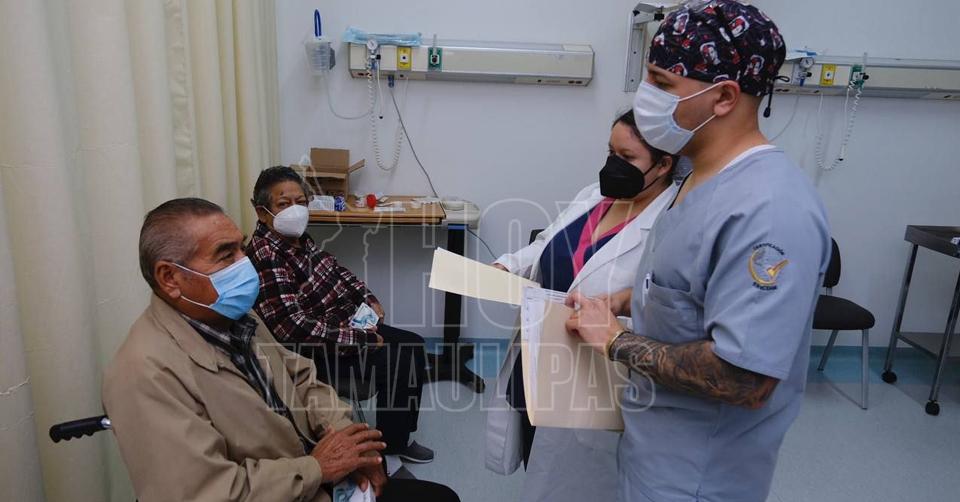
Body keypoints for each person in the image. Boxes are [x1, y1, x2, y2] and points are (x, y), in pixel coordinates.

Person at [566, 2, 831, 501]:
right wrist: (633, 300)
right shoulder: (697, 178)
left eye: (661, 83)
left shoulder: (769, 210)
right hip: (652, 447)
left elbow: (745, 378)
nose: (645, 96)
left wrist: (615, 341)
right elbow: (693, 289)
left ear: (724, 97)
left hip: (698, 476)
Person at [103, 198, 458, 502]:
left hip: (311, 475)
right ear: (170, 278)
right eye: (226, 255)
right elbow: (211, 493)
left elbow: (301, 377)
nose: (245, 263)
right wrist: (316, 468)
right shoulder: (144, 374)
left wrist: (347, 443)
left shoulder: (238, 316)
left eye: (241, 248)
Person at [490, 110, 680, 502]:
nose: (613, 166)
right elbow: (546, 244)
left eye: (627, 158)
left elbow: (661, 307)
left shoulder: (672, 222)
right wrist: (508, 265)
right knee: (537, 453)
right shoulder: (594, 196)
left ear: (664, 164)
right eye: (611, 153)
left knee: (577, 480)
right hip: (538, 355)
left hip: (596, 372)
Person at [245, 167, 433, 466]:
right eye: (283, 204)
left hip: (343, 325)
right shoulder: (267, 255)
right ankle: (389, 448)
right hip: (314, 348)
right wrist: (362, 338)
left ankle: (399, 436)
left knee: (415, 344)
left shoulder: (297, 240)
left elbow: (336, 270)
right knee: (397, 361)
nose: (295, 210)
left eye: (301, 202)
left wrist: (368, 297)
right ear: (262, 212)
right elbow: (293, 328)